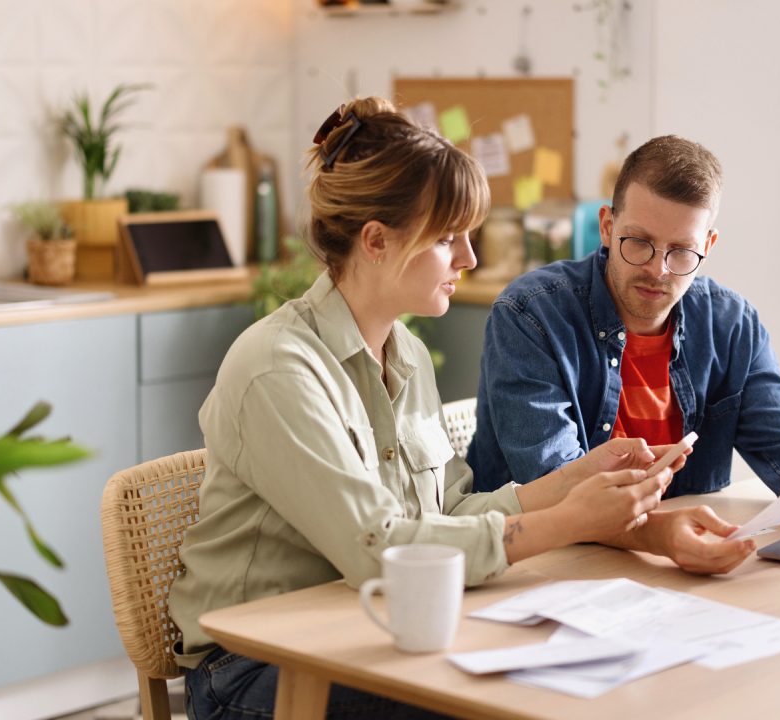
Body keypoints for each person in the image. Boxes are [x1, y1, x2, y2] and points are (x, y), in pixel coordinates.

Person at [167, 98, 685, 720]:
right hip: (253, 667)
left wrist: (575, 480)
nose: (468, 258)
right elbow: (378, 550)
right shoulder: (278, 367)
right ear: (377, 241)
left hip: (367, 626)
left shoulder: (406, 352)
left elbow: (447, 513)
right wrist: (569, 521)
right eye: (446, 238)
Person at [468, 135, 780, 575]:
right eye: (638, 242)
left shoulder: (731, 324)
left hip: (672, 566)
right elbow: (554, 487)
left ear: (709, 244)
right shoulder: (531, 314)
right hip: (535, 567)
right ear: (607, 226)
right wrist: (659, 534)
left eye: (681, 251)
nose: (658, 269)